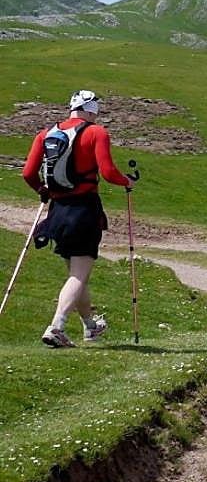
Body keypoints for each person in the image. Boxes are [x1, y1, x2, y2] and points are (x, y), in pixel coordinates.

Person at [22, 91, 134, 348]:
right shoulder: (97, 133)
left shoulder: (46, 133)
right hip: (84, 211)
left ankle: (90, 327)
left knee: (76, 274)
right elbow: (107, 172)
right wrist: (127, 181)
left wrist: (42, 190)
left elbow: (28, 173)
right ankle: (57, 326)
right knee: (78, 275)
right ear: (92, 109)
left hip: (57, 211)